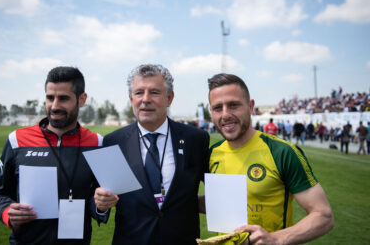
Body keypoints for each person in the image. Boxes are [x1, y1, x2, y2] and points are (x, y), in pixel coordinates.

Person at [0, 67, 118, 244]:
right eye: (50, 98)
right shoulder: (17, 140)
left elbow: (100, 197)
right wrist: (6, 212)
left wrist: (102, 205)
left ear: (81, 99)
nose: (55, 106)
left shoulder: (97, 143)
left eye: (63, 98)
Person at [206, 73, 334, 244]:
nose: (225, 114)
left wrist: (275, 239)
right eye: (217, 108)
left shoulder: (282, 152)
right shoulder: (212, 154)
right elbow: (223, 201)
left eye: (233, 105)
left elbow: (323, 216)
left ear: (250, 106)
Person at [94, 64, 210, 244]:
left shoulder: (196, 139)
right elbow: (102, 200)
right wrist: (101, 205)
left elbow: (216, 191)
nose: (145, 99)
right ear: (131, 98)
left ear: (169, 98)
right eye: (139, 93)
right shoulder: (113, 142)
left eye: (154, 92)